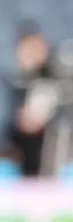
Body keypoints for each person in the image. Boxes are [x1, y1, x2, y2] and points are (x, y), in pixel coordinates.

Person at [5, 22, 56, 178]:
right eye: (30, 48)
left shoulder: (53, 79)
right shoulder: (11, 81)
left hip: (44, 157)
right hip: (17, 155)